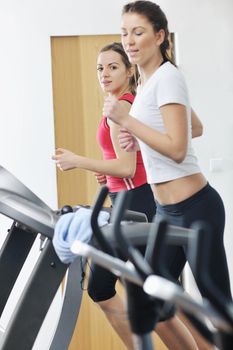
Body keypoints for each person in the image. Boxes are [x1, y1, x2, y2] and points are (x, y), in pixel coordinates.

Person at [52, 42, 201, 350]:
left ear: (129, 70)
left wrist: (78, 160)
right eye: (99, 68)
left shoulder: (126, 106)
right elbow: (125, 163)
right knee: (155, 289)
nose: (104, 73)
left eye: (113, 67)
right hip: (131, 200)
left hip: (138, 204)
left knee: (110, 288)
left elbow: (126, 165)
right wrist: (105, 172)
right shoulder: (121, 103)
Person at [103, 0, 232, 347]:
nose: (129, 40)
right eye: (124, 32)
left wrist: (128, 121)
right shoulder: (147, 84)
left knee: (218, 310)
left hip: (195, 209)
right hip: (166, 212)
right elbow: (196, 128)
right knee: (148, 300)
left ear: (159, 36)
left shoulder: (168, 78)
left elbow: (177, 148)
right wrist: (138, 134)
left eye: (139, 32)